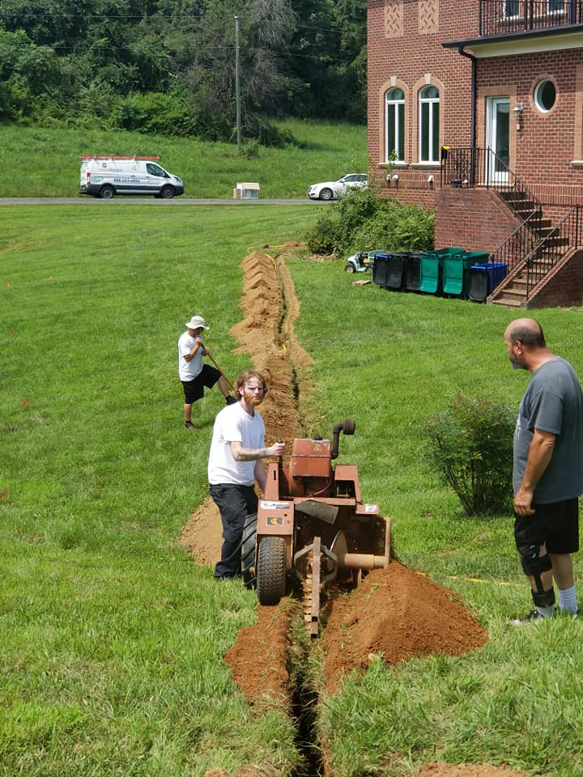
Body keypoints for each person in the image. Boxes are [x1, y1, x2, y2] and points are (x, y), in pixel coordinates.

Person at [504, 318, 583, 624]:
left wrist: (526, 489)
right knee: (560, 547)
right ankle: (570, 608)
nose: (508, 352)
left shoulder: (547, 383)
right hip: (563, 485)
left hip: (544, 491)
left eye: (508, 346)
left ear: (519, 347)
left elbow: (544, 440)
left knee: (533, 549)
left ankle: (544, 613)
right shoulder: (563, 368)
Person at [208, 370, 285, 580]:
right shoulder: (230, 415)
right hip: (224, 481)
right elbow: (238, 453)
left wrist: (272, 495)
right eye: (252, 388)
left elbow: (257, 464)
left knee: (260, 523)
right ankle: (224, 575)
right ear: (240, 390)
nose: (257, 392)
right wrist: (269, 451)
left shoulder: (257, 421)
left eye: (260, 388)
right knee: (239, 525)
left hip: (243, 483)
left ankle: (249, 571)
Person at [178, 315, 236, 431]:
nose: (203, 331)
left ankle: (229, 399)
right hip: (189, 375)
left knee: (219, 375)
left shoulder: (197, 335)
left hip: (200, 369)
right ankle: (188, 423)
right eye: (201, 328)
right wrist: (197, 346)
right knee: (189, 400)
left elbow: (200, 352)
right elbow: (188, 358)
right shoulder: (184, 340)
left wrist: (204, 351)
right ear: (196, 327)